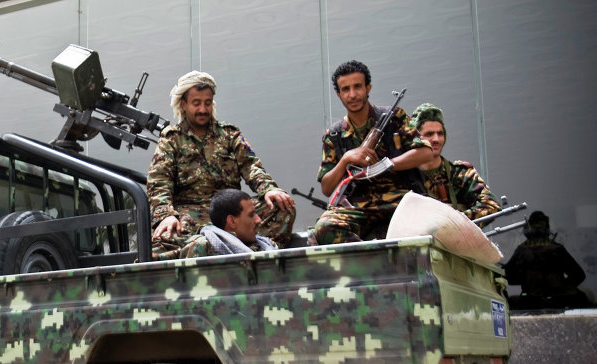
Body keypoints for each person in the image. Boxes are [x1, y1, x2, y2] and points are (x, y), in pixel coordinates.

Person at [147, 71, 295, 258]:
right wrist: (166, 215)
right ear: (183, 104)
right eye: (196, 103)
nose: (203, 109)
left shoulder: (229, 134)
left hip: (232, 212)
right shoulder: (171, 140)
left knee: (282, 208)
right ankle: (220, 248)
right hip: (190, 214)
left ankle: (261, 256)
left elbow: (251, 166)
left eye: (207, 103)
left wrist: (269, 190)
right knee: (163, 238)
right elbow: (158, 183)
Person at [314, 60, 433, 244]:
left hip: (402, 200)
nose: (352, 95)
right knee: (324, 227)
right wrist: (345, 159)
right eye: (345, 89)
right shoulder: (334, 134)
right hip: (360, 207)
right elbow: (326, 187)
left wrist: (388, 164)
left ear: (368, 88)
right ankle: (369, 260)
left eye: (357, 87)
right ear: (338, 95)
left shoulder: (393, 117)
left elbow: (425, 152)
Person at [409, 103, 501, 221]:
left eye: (440, 133)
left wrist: (455, 221)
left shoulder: (460, 173)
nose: (436, 139)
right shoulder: (406, 176)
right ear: (417, 138)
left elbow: (491, 205)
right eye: (429, 134)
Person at [503, 211, 591, 310]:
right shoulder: (556, 249)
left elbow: (508, 277)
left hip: (538, 303)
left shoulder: (522, 250)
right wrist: (560, 288)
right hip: (547, 303)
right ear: (547, 229)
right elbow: (578, 275)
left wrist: (531, 281)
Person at [176, 189, 278, 258]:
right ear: (231, 221)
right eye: (251, 215)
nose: (258, 220)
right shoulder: (203, 247)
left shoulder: (266, 245)